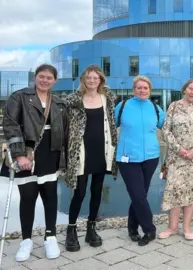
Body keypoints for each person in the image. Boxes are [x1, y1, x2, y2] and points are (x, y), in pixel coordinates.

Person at [0, 64, 67, 261]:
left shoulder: (59, 102)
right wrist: (19, 154)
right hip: (27, 152)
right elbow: (10, 125)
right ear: (35, 77)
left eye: (49, 78)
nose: (45, 80)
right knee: (28, 196)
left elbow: (64, 131)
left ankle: (50, 236)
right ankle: (26, 240)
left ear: (54, 80)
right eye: (41, 76)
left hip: (50, 153)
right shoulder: (19, 97)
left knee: (50, 196)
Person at [64, 65, 118, 251]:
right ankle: (71, 230)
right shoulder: (73, 101)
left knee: (97, 192)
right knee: (79, 193)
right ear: (83, 80)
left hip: (102, 152)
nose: (92, 81)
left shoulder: (107, 99)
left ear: (101, 80)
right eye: (88, 77)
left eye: (95, 78)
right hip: (81, 153)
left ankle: (91, 227)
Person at [114, 75, 165, 246]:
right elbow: (108, 127)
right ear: (134, 89)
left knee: (139, 195)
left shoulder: (156, 109)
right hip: (128, 158)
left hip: (151, 157)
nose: (142, 90)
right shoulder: (123, 107)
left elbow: (168, 126)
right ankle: (149, 229)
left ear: (150, 90)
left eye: (146, 88)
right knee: (138, 194)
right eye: (139, 87)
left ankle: (132, 228)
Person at [159, 79, 193, 241]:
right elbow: (166, 130)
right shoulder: (174, 106)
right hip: (176, 157)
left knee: (191, 191)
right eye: (190, 88)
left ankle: (187, 227)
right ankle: (172, 227)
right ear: (184, 89)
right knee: (174, 190)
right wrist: (179, 149)